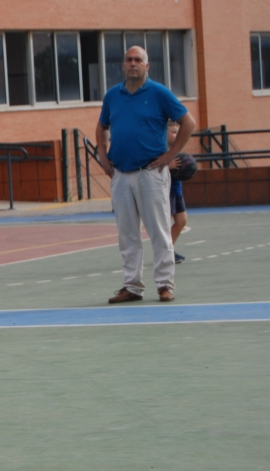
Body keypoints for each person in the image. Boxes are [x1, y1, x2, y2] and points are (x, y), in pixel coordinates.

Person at [96, 46, 195, 304]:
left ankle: (165, 285)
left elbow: (188, 122)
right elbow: (101, 126)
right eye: (128, 59)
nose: (133, 63)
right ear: (123, 65)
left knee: (159, 231)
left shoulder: (160, 93)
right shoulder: (112, 96)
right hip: (120, 174)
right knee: (127, 234)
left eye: (138, 60)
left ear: (147, 66)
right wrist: (103, 154)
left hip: (150, 173)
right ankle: (132, 286)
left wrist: (170, 155)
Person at [167, 121, 189, 264]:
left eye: (177, 132)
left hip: (176, 189)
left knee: (182, 221)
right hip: (166, 191)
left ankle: (169, 249)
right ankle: (165, 252)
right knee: (165, 223)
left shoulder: (177, 149)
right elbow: (151, 168)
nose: (176, 135)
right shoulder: (160, 150)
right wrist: (167, 166)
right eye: (173, 132)